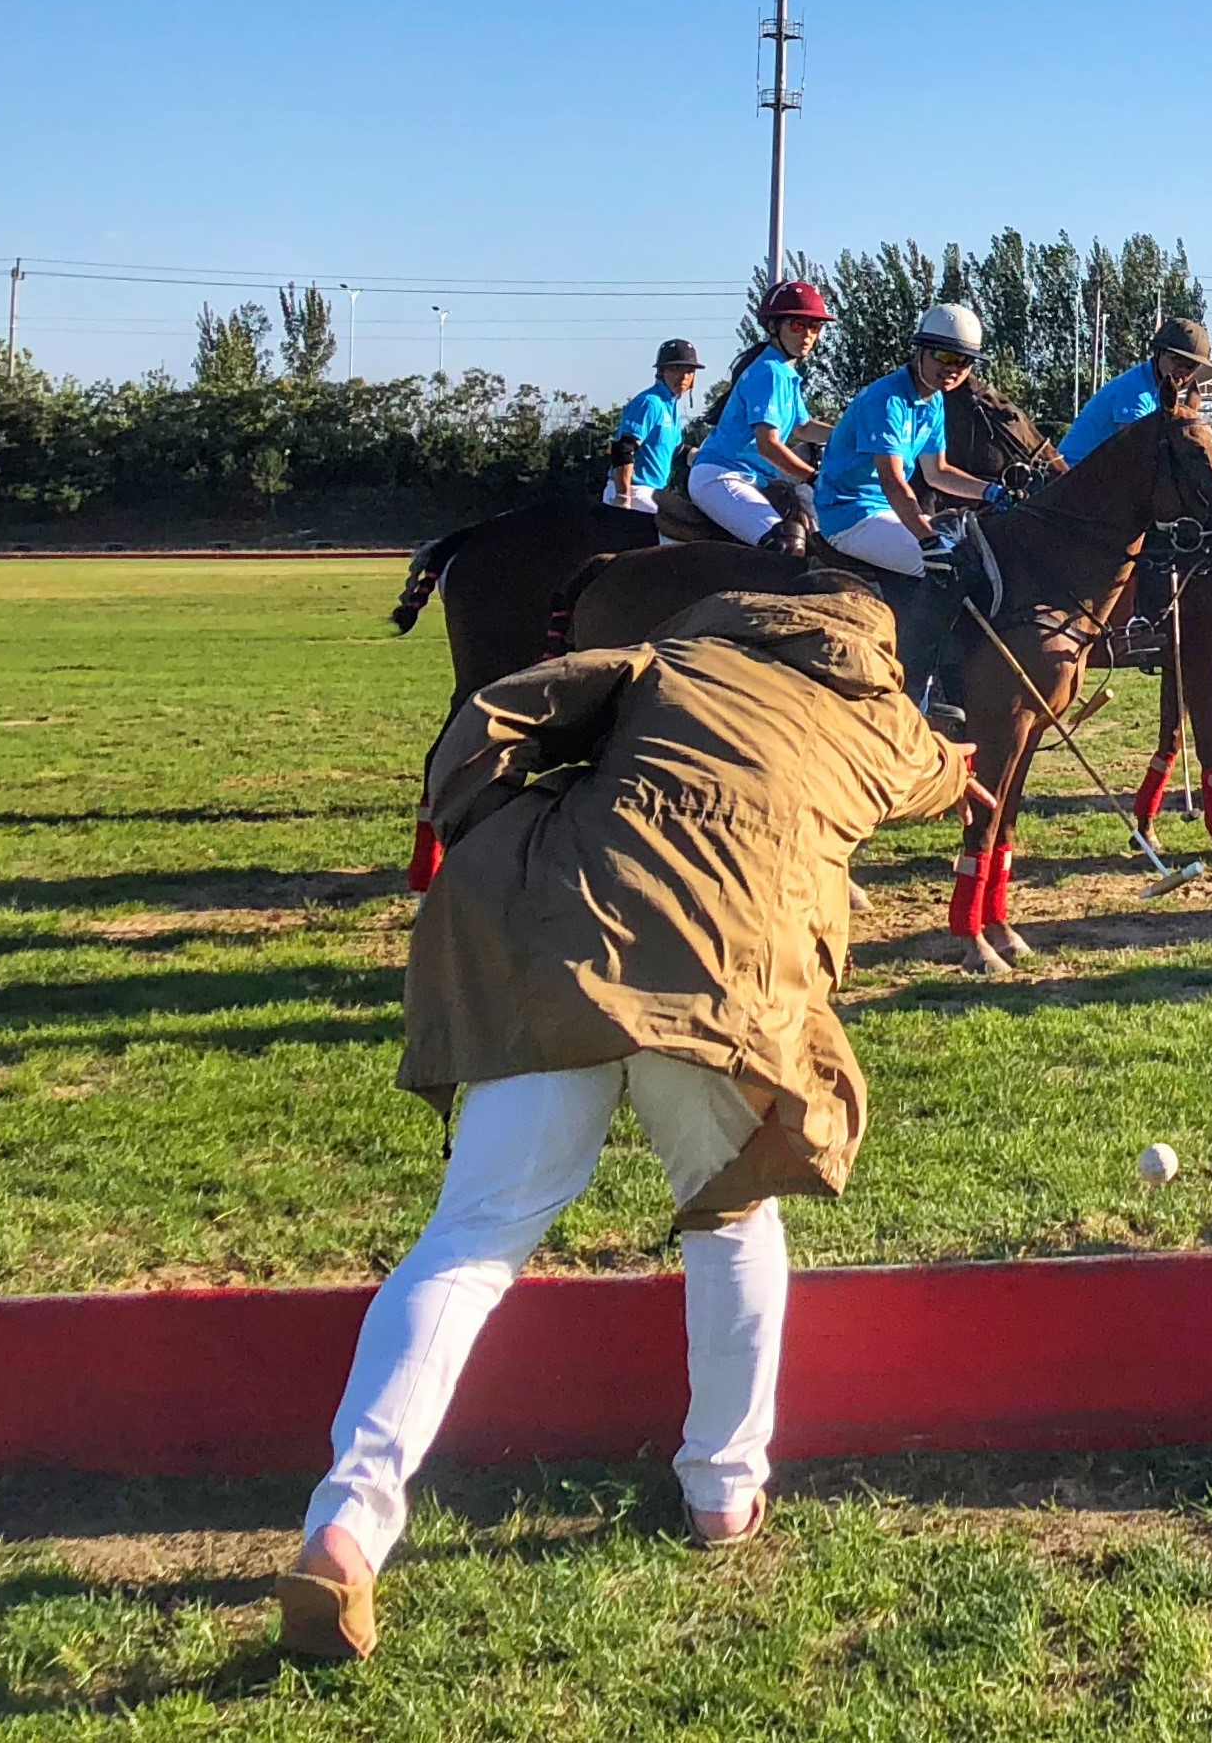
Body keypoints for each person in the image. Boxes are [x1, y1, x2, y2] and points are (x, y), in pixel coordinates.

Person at [272, 588, 981, 1664]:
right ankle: (722, 1493)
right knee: (731, 1216)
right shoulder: (879, 719)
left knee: (469, 1243)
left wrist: (496, 820)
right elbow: (941, 777)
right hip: (729, 986)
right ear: (873, 654)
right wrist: (960, 770)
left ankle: (347, 1520)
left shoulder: (671, 663)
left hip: (565, 944)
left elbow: (497, 715)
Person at [811, 305, 1006, 581]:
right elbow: (891, 480)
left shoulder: (934, 400)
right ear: (919, 352)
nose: (953, 368)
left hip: (887, 512)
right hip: (850, 517)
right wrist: (927, 540)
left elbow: (937, 472)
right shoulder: (886, 400)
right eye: (944, 355)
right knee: (955, 568)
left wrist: (993, 492)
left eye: (963, 360)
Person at [687, 283, 831, 547]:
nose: (808, 335)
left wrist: (852, 436)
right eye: (798, 326)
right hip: (722, 478)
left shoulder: (785, 373)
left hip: (751, 479)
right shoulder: (770, 372)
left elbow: (804, 428)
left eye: (816, 327)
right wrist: (814, 478)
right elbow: (768, 445)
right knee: (784, 544)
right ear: (774, 327)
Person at [1058, 315, 1212, 465]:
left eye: (1191, 365)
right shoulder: (1135, 391)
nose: (1182, 370)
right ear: (1158, 353)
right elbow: (1134, 454)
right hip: (1073, 475)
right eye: (1177, 360)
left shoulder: (1157, 390)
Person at [605, 340, 700, 514]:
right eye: (675, 369)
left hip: (654, 492)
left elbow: (677, 452)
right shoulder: (649, 403)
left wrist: (707, 459)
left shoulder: (671, 406)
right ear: (662, 372)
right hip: (634, 491)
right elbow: (624, 449)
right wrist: (623, 496)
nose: (684, 377)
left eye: (689, 371)